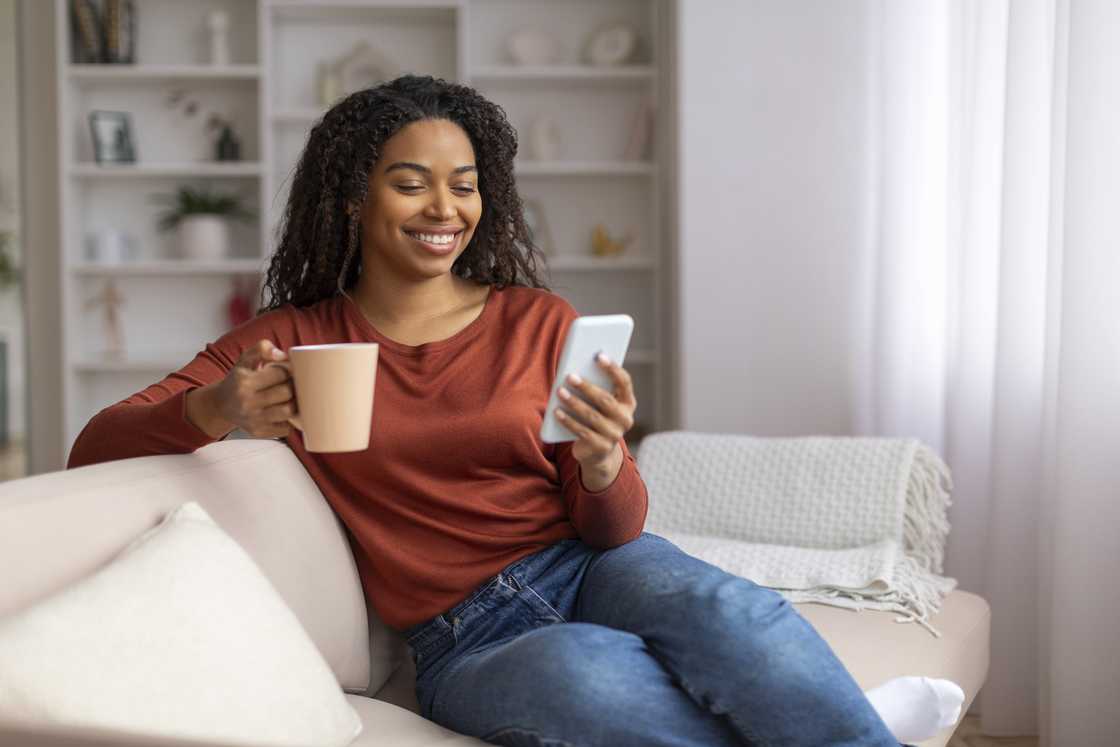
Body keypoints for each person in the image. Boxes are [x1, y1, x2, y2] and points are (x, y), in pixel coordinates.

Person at [68, 75, 963, 747]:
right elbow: (93, 448)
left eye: (464, 183)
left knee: (724, 609)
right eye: (410, 182)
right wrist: (216, 406)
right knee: (592, 678)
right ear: (353, 198)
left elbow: (613, 530)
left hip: (589, 565)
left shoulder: (540, 320)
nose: (444, 207)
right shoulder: (292, 338)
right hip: (463, 633)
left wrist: (608, 462)